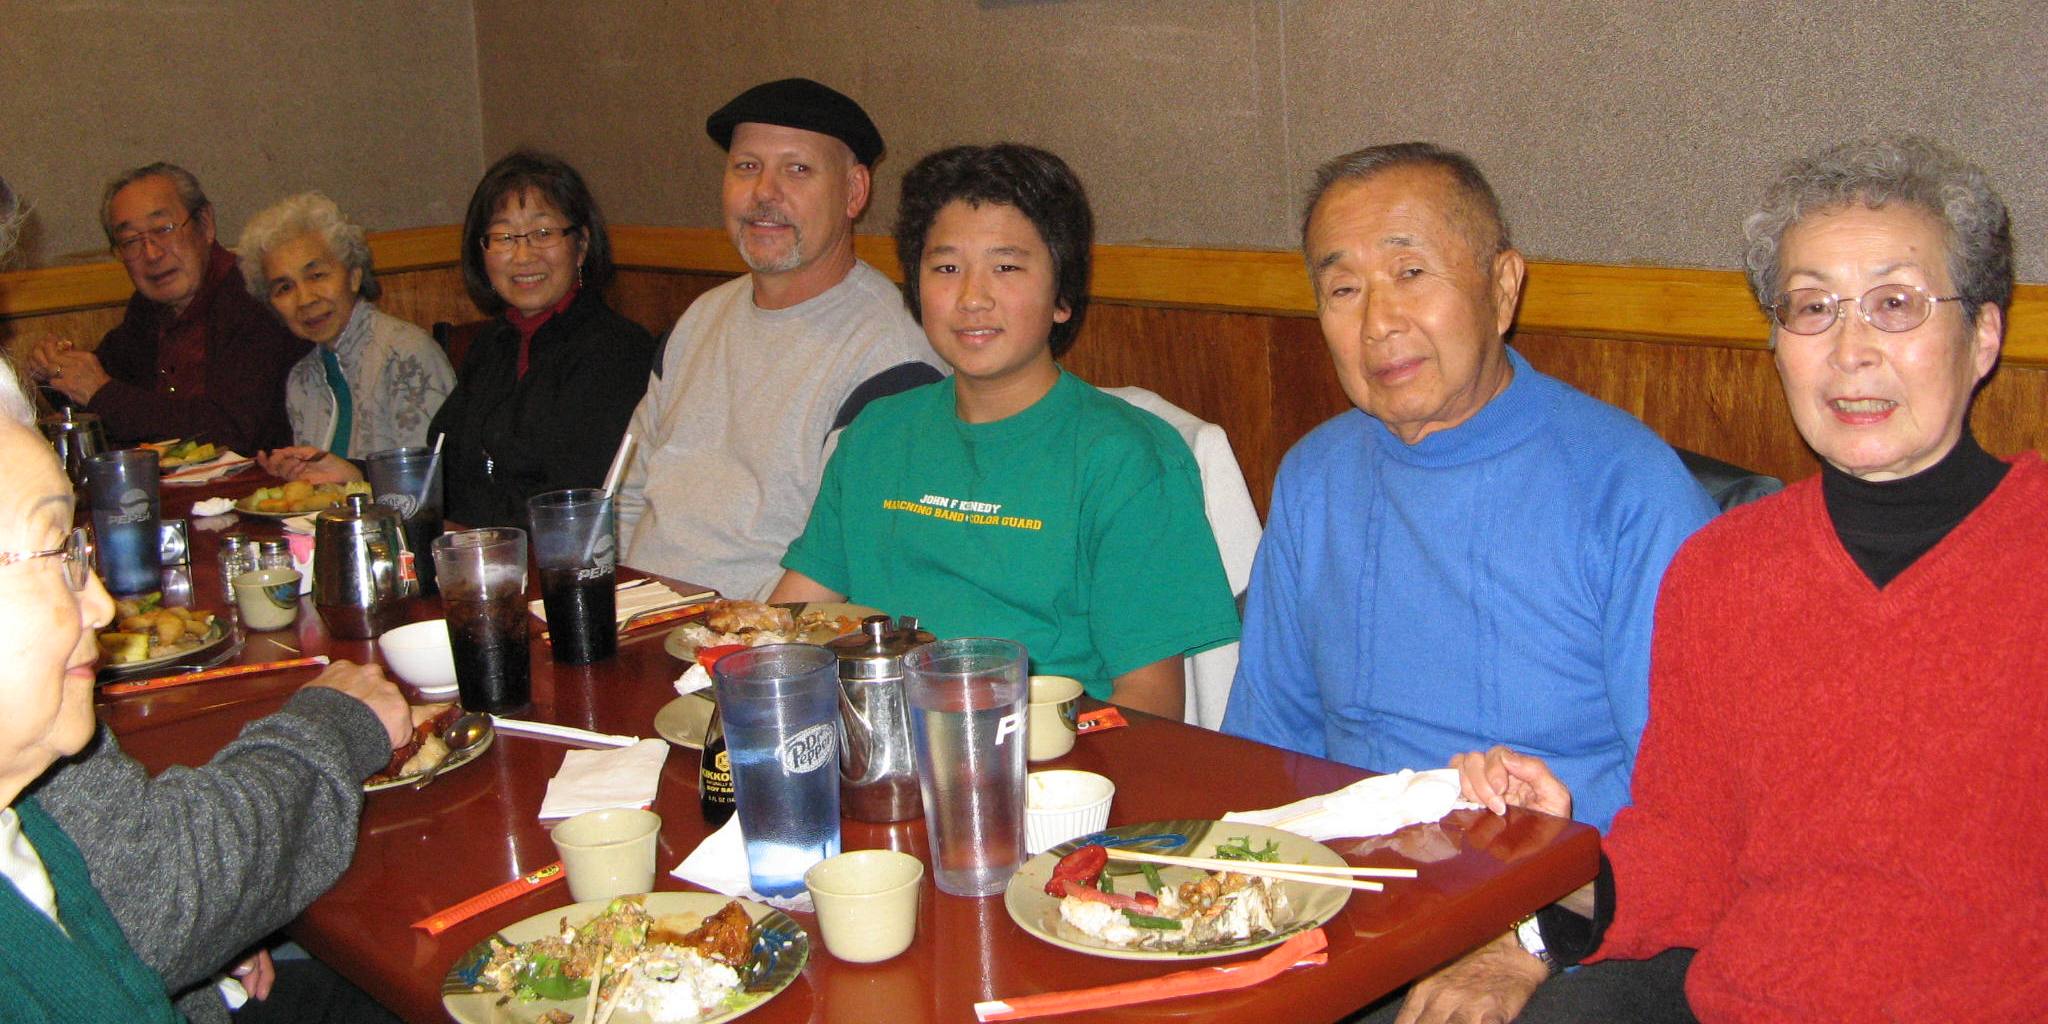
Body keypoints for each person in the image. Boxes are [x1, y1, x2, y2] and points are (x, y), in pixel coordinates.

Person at [1439, 137, 2048, 1024]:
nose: (1851, 351)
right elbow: (1687, 853)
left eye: (1895, 304)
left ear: (1983, 335)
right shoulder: (1726, 570)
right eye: (1812, 308)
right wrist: (1548, 858)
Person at [1222, 142, 1716, 833]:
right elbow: (1266, 747)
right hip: (1342, 894)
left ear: (1503, 288)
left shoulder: (1627, 491)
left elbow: (1693, 803)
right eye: (1344, 289)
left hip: (1553, 905)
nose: (1378, 322)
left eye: (1411, 271)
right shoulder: (1314, 478)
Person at [0, 354, 410, 1021]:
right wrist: (336, 724)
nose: (102, 607)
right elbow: (155, 898)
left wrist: (191, 979)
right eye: (54, 548)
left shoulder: (33, 838)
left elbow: (123, 936)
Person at [769, 144, 1238, 719]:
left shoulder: (1125, 458)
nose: (972, 297)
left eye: (1007, 267)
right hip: (873, 752)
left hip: (1039, 771)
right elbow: (784, 630)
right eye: (945, 268)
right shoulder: (877, 434)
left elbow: (1150, 708)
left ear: (1062, 296)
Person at [615, 78, 943, 599]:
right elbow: (626, 494)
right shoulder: (700, 318)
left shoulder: (893, 358)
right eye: (747, 167)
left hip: (759, 652)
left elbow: (847, 568)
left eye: (798, 169)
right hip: (638, 621)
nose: (764, 193)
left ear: (855, 191)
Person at [269, 151, 656, 527]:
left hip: (558, 571)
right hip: (478, 561)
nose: (522, 255)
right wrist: (355, 473)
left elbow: (569, 507)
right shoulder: (494, 345)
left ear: (581, 246)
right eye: (503, 237)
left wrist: (460, 533)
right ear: (482, 253)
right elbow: (445, 466)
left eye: (542, 233)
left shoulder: (615, 352)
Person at [23, 163, 307, 454]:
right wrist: (54, 369)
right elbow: (102, 393)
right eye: (131, 241)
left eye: (163, 229)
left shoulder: (255, 297)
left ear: (206, 224)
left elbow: (233, 431)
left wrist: (100, 392)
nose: (152, 253)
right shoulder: (148, 309)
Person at [238, 192, 454, 461]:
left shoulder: (406, 354)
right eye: (284, 287)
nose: (305, 299)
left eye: (317, 276)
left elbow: (430, 484)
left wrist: (352, 477)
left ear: (353, 276)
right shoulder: (302, 380)